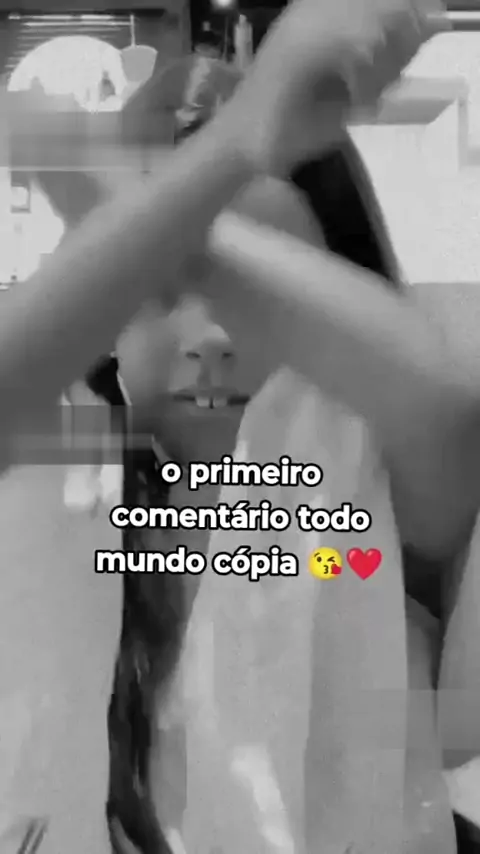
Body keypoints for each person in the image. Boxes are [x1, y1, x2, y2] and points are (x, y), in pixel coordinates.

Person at [0, 1, 459, 852]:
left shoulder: (369, 505)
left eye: (266, 303)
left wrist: (163, 204)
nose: (212, 338)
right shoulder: (59, 495)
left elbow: (444, 404)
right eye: (166, 292)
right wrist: (228, 153)